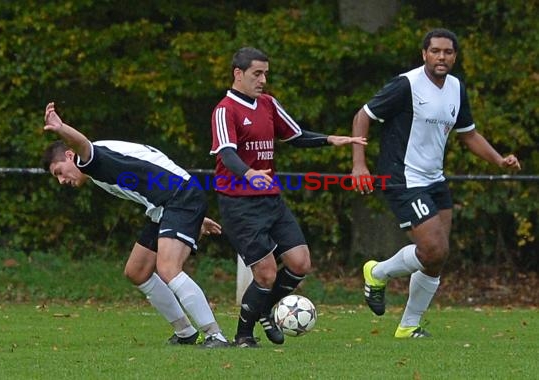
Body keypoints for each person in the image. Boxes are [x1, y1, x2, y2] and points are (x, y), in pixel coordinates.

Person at [351, 28, 521, 338]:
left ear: (455, 56)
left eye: (448, 52)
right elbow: (362, 116)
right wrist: (358, 164)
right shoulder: (407, 84)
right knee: (434, 247)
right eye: (435, 51)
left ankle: (408, 326)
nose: (441, 57)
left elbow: (468, 134)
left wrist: (499, 160)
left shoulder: (456, 87)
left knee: (436, 258)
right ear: (424, 54)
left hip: (434, 180)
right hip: (402, 178)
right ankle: (376, 273)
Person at [210, 47, 367, 347]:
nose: (263, 79)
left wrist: (329, 139)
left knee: (300, 263)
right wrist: (248, 173)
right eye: (257, 73)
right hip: (239, 203)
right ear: (238, 74)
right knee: (266, 273)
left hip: (271, 200)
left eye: (266, 73)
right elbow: (226, 153)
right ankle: (244, 335)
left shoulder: (268, 104)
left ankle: (266, 308)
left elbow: (295, 135)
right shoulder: (225, 109)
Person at [42, 102, 230, 348]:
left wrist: (61, 127)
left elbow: (82, 144)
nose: (61, 180)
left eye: (59, 171)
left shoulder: (91, 158)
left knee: (168, 268)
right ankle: (185, 332)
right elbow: (155, 167)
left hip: (178, 198)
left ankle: (215, 335)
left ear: (69, 156)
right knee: (137, 271)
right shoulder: (104, 160)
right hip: (170, 204)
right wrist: (194, 216)